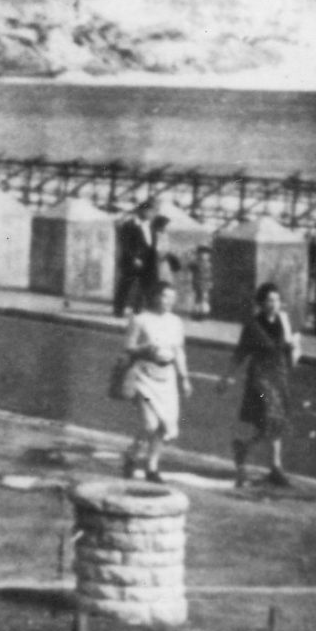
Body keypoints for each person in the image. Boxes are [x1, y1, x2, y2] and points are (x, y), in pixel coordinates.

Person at [217, 282, 302, 488]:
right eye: (269, 300)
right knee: (271, 415)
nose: (273, 304)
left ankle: (267, 462)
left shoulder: (284, 320)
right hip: (260, 378)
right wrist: (226, 377)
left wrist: (294, 349)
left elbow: (293, 347)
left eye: (276, 300)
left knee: (277, 421)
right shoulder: (253, 325)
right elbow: (240, 353)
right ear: (261, 303)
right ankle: (256, 455)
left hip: (279, 376)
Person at [121, 281, 192, 483]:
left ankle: (152, 466)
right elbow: (128, 348)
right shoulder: (140, 320)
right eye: (164, 296)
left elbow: (179, 351)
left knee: (164, 424)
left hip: (166, 377)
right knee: (150, 424)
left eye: (172, 297)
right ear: (154, 297)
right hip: (144, 375)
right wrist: (145, 348)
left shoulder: (176, 322)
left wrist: (184, 378)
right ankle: (132, 455)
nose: (169, 301)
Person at [115, 199, 157, 315]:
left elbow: (152, 245)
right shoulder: (129, 225)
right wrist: (133, 258)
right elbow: (125, 244)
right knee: (125, 285)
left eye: (152, 212)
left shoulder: (151, 227)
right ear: (141, 211)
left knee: (144, 287)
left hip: (147, 262)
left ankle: (138, 310)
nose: (151, 214)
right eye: (148, 211)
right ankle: (119, 310)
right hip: (132, 261)